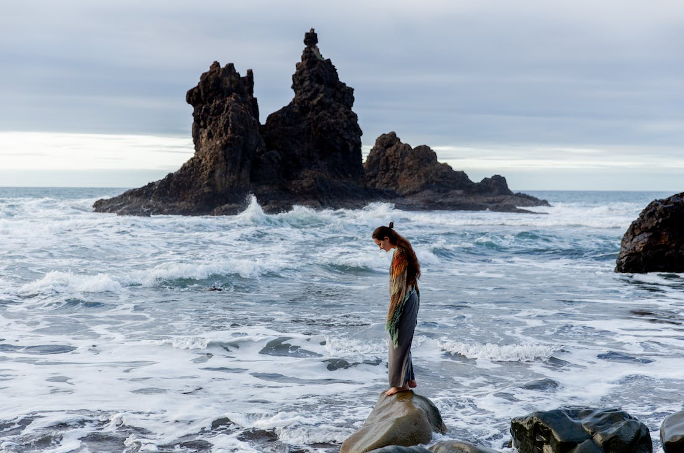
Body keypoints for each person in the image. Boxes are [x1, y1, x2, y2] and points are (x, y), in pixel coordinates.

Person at [372, 222, 421, 396]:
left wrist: (393, 310)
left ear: (387, 239)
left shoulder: (400, 253)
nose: (380, 248)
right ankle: (409, 379)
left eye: (380, 244)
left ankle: (400, 385)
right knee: (403, 339)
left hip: (405, 300)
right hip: (410, 297)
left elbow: (399, 286)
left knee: (397, 341)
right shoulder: (403, 248)